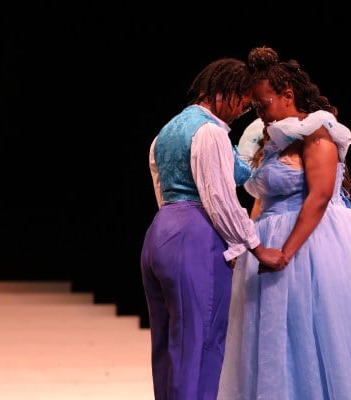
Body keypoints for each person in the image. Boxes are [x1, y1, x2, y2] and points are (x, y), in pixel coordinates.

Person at [217, 47, 351, 399]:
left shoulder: (318, 134)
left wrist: (285, 252)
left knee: (313, 334)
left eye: (264, 104)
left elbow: (318, 197)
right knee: (274, 341)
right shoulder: (271, 142)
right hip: (269, 250)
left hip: (311, 249)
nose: (259, 113)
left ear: (288, 95)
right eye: (254, 107)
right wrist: (246, 248)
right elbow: (262, 199)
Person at [140, 57, 287, 400]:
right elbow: (219, 198)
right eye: (242, 101)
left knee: (168, 342)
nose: (242, 109)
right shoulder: (208, 131)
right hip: (194, 234)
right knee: (201, 340)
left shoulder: (167, 130)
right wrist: (253, 246)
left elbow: (161, 187)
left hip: (160, 232)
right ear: (225, 93)